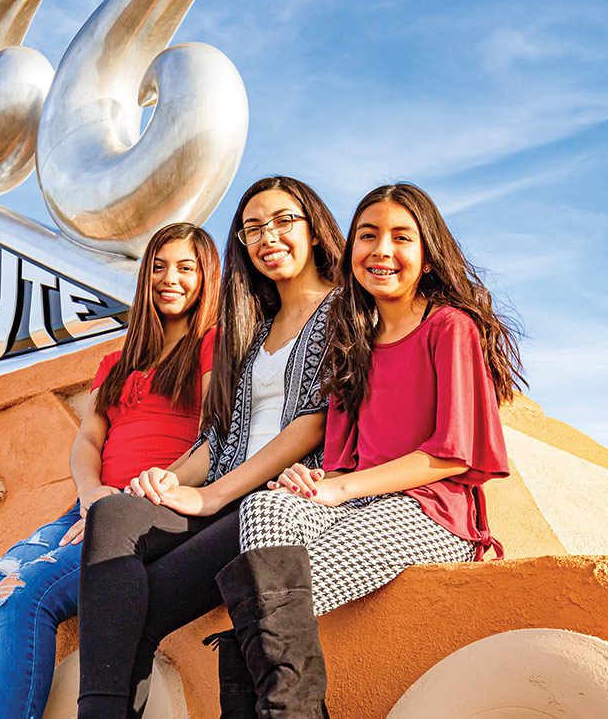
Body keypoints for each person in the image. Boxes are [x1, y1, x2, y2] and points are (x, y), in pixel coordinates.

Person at [218, 182, 525, 716]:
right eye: (368, 236)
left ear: (427, 257)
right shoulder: (352, 338)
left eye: (401, 237)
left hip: (433, 514)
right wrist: (315, 483)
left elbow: (452, 455)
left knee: (257, 622)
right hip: (360, 507)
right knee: (266, 510)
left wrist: (337, 488)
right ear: (351, 249)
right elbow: (338, 458)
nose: (382, 251)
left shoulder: (449, 328)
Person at [77, 176, 346, 718]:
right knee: (114, 516)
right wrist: (170, 481)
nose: (268, 236)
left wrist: (212, 495)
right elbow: (217, 438)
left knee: (141, 608)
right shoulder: (251, 329)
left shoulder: (342, 311)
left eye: (282, 221)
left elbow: (313, 425)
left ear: (314, 229)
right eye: (253, 229)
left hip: (277, 502)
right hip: (222, 496)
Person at [0, 223, 221, 719]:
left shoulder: (214, 345)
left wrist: (123, 508)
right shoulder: (116, 361)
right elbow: (88, 440)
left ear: (206, 277)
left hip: (151, 511)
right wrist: (92, 495)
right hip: (90, 504)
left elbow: (215, 439)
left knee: (26, 599)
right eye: (158, 266)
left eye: (185, 267)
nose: (169, 278)